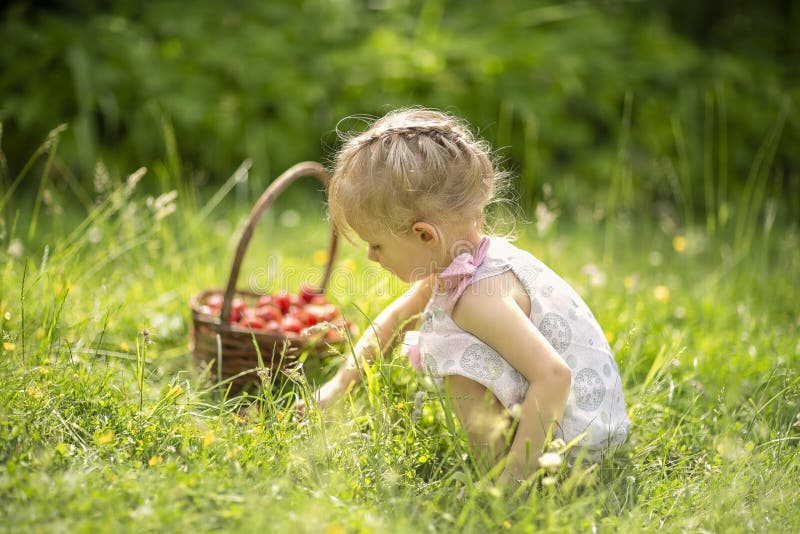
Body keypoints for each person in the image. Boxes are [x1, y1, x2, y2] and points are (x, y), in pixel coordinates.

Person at [300, 108, 629, 484]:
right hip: (571, 418)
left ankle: (501, 472)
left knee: (451, 352)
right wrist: (339, 386)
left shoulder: (479, 296)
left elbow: (554, 376)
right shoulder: (461, 262)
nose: (371, 257)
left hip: (578, 445)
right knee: (443, 337)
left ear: (426, 236)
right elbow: (397, 318)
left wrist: (512, 484)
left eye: (376, 244)